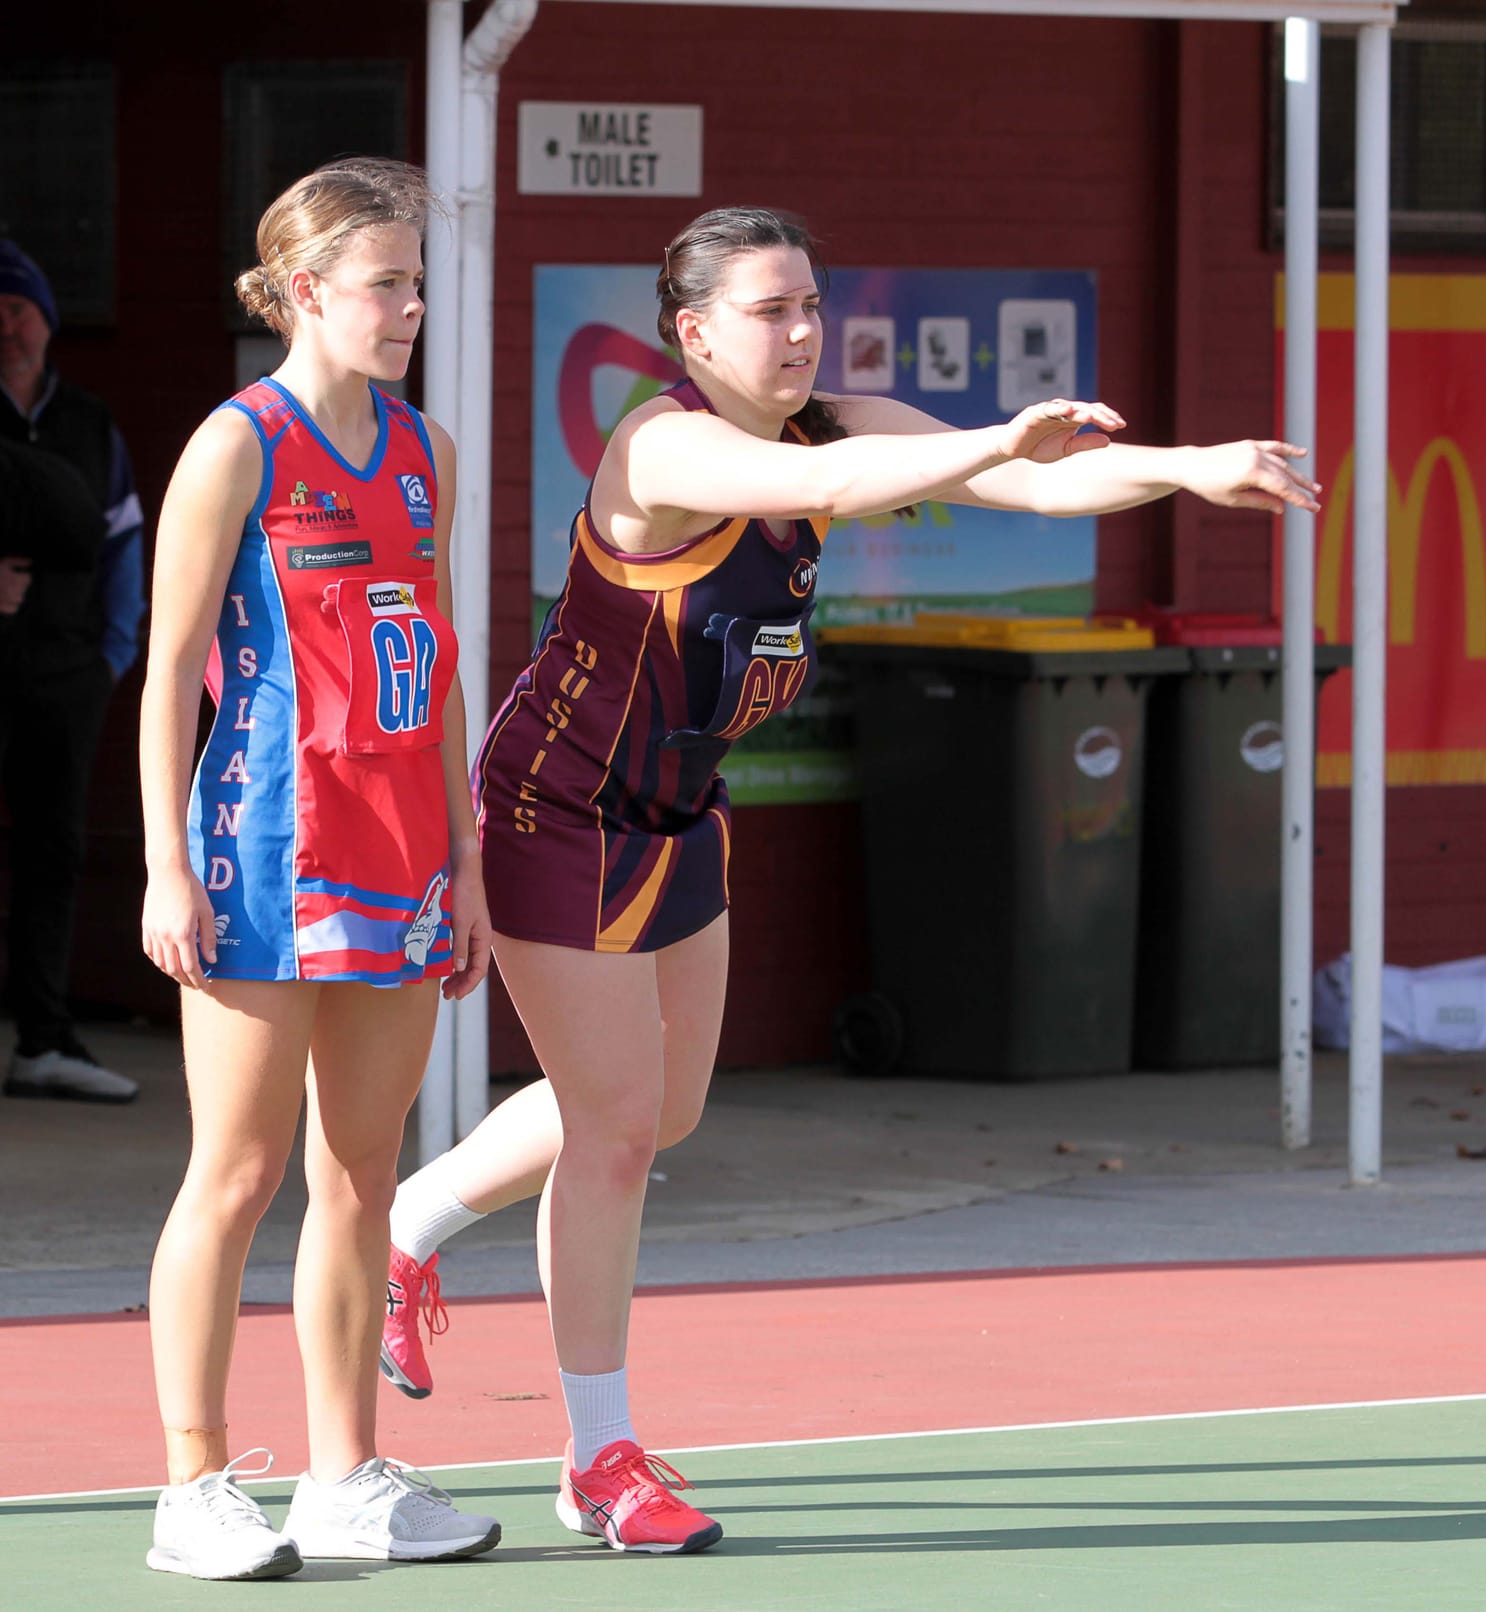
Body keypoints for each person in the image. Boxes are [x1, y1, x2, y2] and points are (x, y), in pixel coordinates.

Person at [376, 205, 1321, 1553]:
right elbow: (841, 492)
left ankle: (412, 1221)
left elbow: (1039, 481)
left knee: (664, 1111)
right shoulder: (665, 446)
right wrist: (989, 440)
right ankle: (601, 1460)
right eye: (772, 311)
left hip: (679, 806)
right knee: (618, 1135)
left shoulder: (837, 419)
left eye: (812, 305)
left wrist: (1191, 465)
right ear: (693, 333)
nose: (803, 332)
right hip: (557, 807)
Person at [137, 159, 500, 1580]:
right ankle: (189, 1486)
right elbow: (170, 669)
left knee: (361, 1173)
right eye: (386, 283)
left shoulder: (426, 450)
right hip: (260, 850)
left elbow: (445, 665)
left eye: (417, 281)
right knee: (235, 1171)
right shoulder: (238, 444)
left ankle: (346, 1478)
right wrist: (169, 865)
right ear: (304, 292)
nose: (410, 306)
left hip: (402, 857)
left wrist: (466, 858)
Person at [0, 241, 146, 1103]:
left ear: (48, 320)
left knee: (54, 851)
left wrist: (113, 652)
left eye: (20, 308)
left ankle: (44, 1041)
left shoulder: (89, 421)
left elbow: (123, 535)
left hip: (67, 671)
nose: (7, 326)